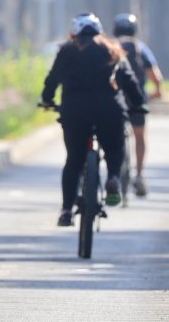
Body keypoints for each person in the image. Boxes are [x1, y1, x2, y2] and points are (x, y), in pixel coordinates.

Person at [40, 13, 146, 227]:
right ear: (100, 31)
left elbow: (52, 79)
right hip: (109, 111)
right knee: (115, 148)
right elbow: (130, 81)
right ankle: (114, 177)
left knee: (73, 160)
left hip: (75, 112)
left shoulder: (67, 50)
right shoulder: (113, 49)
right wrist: (137, 105)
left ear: (74, 33)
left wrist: (47, 100)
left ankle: (67, 210)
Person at [113, 13, 163, 197]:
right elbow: (155, 76)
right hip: (136, 99)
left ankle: (114, 175)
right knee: (139, 136)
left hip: (114, 99)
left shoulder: (110, 47)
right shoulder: (141, 48)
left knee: (114, 136)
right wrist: (156, 92)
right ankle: (140, 175)